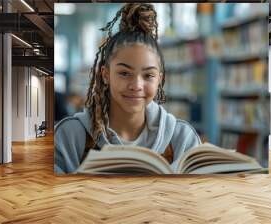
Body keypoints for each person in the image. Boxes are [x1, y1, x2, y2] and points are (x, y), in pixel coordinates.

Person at [54, 3, 201, 174]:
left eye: (148, 75)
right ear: (105, 74)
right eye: (124, 73)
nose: (136, 86)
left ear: (159, 80)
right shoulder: (70, 136)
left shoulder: (182, 138)